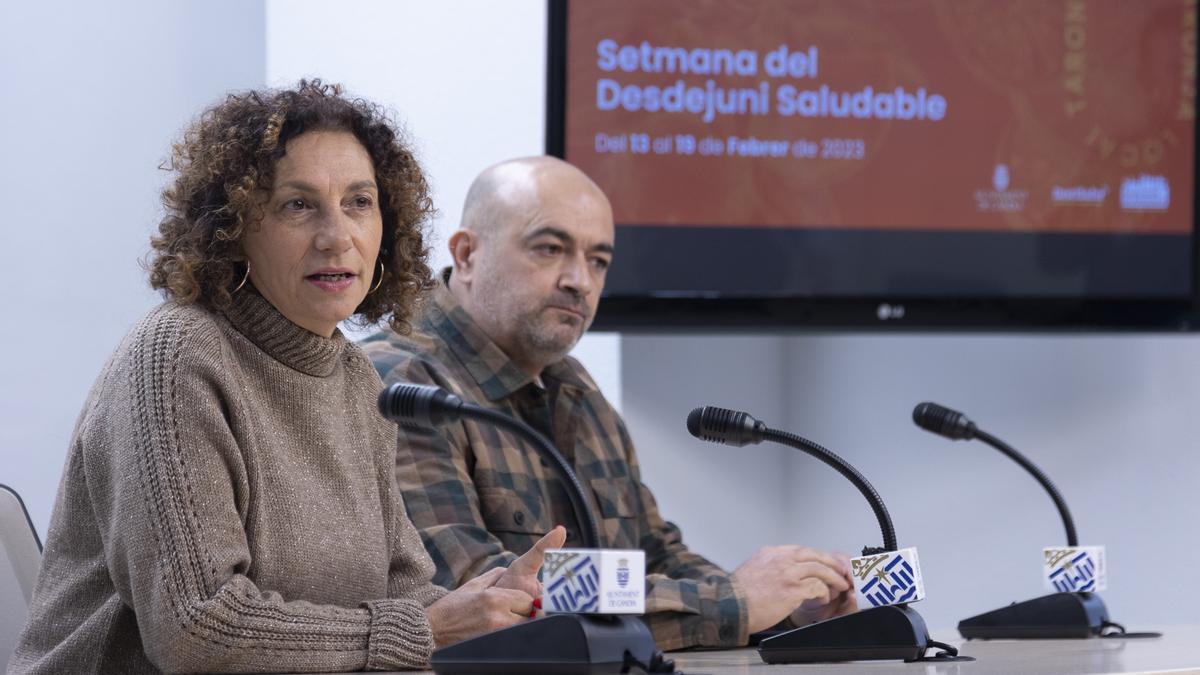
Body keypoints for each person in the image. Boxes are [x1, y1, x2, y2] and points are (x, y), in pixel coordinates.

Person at [9, 82, 564, 675]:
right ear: (233, 228)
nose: (337, 236)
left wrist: (483, 606)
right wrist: (428, 627)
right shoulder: (175, 358)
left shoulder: (354, 377)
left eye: (359, 202)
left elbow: (400, 599)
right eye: (298, 205)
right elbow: (198, 631)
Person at [362, 156, 856, 652]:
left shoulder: (573, 384)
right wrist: (735, 603)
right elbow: (485, 598)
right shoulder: (404, 387)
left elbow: (656, 553)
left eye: (598, 260)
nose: (580, 280)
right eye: (550, 249)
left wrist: (783, 608)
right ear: (467, 255)